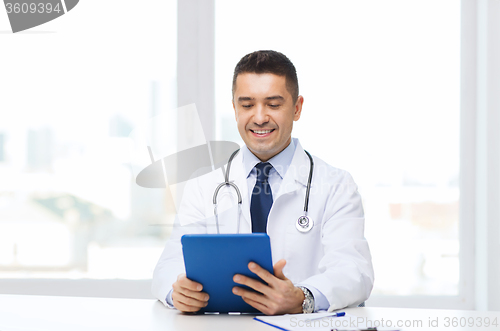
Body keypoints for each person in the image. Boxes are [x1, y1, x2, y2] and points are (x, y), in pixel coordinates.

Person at [152, 50, 374, 315]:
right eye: (247, 105)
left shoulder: (337, 185)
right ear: (234, 108)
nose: (259, 117)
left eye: (273, 104)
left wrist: (302, 298)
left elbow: (353, 270)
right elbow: (169, 264)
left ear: (297, 108)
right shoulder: (203, 187)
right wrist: (178, 292)